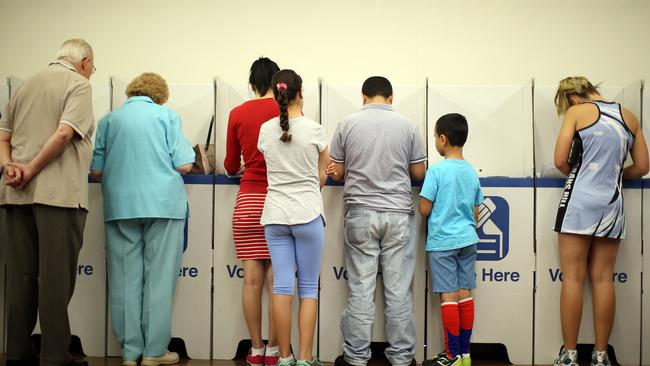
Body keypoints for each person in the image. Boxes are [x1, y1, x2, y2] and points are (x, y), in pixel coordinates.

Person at [0, 38, 96, 366]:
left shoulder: (25, 85)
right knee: (55, 276)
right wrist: (32, 168)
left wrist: (9, 166)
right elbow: (64, 134)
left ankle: (16, 351)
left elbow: (3, 136)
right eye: (92, 68)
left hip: (14, 195)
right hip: (58, 197)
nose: (91, 74)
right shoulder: (78, 86)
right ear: (84, 63)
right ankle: (55, 353)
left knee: (20, 275)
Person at [90, 73, 195, 366]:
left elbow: (96, 171)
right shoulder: (167, 116)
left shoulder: (109, 121)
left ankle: (129, 351)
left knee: (124, 279)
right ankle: (153, 352)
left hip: (120, 206)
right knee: (159, 279)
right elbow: (185, 164)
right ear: (160, 94)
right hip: (163, 205)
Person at [326, 76, 426, 366]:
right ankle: (402, 357)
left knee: (361, 289)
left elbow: (339, 173)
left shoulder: (347, 124)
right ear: (391, 99)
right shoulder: (408, 126)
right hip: (397, 214)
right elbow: (418, 173)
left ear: (364, 97)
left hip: (359, 213)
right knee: (398, 290)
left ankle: (356, 356)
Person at [551, 77, 649, 366]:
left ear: (572, 99)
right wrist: (614, 176)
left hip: (579, 201)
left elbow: (559, 161)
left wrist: (582, 174)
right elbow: (642, 166)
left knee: (573, 277)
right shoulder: (629, 116)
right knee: (604, 279)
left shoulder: (576, 113)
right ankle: (601, 355)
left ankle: (569, 355)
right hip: (612, 204)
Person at [257, 69, 328, 366]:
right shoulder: (315, 130)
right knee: (309, 289)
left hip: (275, 215)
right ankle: (305, 358)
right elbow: (322, 176)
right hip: (308, 214)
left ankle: (283, 357)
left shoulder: (264, 130)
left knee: (282, 287)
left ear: (276, 96)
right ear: (301, 93)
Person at [224, 57, 281, 366]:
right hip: (280, 205)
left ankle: (256, 348)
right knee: (277, 282)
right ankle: (275, 350)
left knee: (251, 282)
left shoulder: (237, 113)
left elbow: (231, 165)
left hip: (248, 202)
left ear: (253, 83)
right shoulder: (289, 113)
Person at [419, 113, 483, 366]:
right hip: (468, 240)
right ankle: (465, 355)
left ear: (443, 139)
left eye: (435, 136)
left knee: (448, 297)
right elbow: (476, 211)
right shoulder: (471, 171)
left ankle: (452, 354)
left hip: (443, 243)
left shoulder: (436, 171)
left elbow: (424, 208)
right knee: (465, 294)